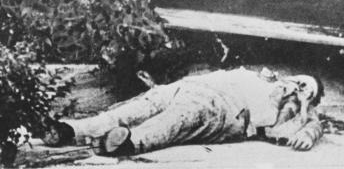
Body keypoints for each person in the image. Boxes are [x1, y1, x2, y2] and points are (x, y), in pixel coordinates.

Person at [44, 68, 324, 156]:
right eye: (300, 81)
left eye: (305, 90)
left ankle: (126, 142)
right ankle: (71, 130)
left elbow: (313, 126)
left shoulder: (297, 108)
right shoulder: (263, 75)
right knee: (138, 106)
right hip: (188, 86)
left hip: (219, 108)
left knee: (176, 121)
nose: (297, 87)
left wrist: (306, 124)